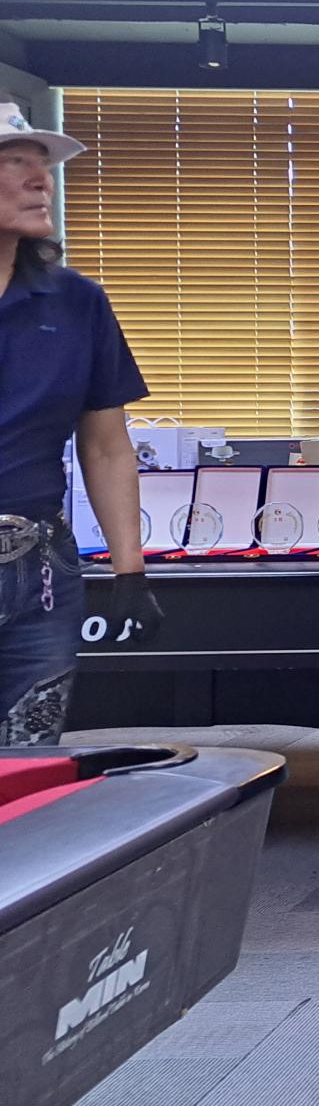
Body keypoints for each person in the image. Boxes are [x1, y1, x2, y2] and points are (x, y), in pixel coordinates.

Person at [0, 102, 163, 744]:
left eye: (42, 164)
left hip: (40, 574)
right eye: (15, 161)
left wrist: (130, 571)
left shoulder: (76, 303)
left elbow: (105, 447)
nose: (40, 178)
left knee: (27, 761)